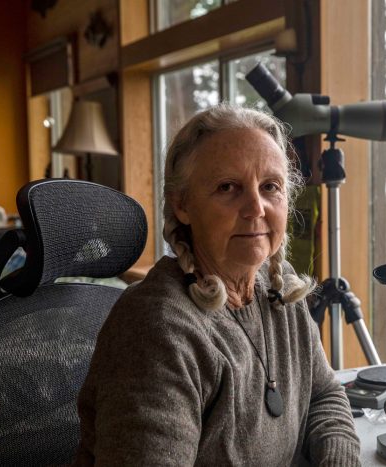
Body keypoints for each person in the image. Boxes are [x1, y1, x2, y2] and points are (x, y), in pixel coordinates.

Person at [74, 103, 361, 466]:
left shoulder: (279, 285)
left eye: (270, 186)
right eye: (228, 187)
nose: (256, 207)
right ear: (182, 205)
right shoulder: (157, 328)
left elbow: (324, 395)